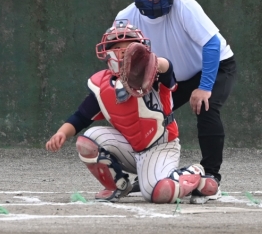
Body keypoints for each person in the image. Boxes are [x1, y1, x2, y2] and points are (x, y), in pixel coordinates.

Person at [45, 20, 217, 203]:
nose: (124, 52)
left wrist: (155, 63)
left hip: (160, 146)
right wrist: (61, 133)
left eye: (130, 47)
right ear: (107, 53)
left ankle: (194, 174)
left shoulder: (154, 74)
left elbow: (167, 69)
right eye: (118, 47)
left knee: (159, 194)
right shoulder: (101, 84)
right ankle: (117, 185)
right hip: (130, 147)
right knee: (87, 140)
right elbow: (81, 117)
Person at [114, 0, 236, 203]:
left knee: (206, 107)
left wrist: (205, 87)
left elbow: (212, 44)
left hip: (213, 66)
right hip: (168, 75)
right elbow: (118, 56)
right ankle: (150, 173)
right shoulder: (125, 17)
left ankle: (211, 178)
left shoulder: (185, 6)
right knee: (145, 115)